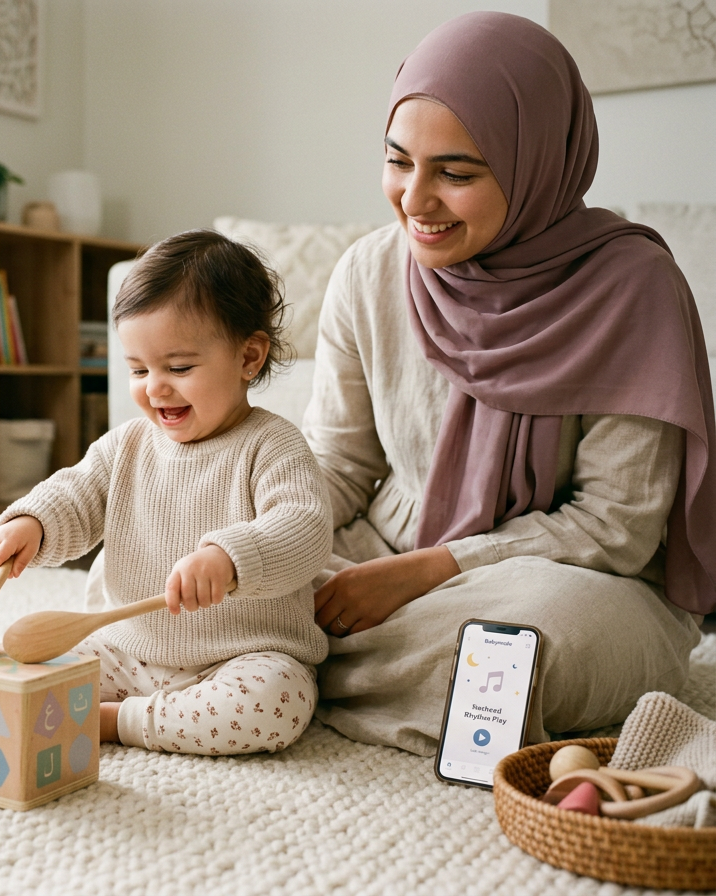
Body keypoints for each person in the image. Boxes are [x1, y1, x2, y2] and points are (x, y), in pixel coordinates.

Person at [302, 11, 713, 757]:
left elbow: (615, 528)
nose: (414, 201)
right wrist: (257, 536)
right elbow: (339, 467)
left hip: (576, 581)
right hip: (390, 547)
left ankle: (284, 664)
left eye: (456, 173)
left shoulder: (634, 288)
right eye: (398, 162)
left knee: (522, 641)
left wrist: (429, 572)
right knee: (185, 562)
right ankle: (280, 652)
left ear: (536, 164)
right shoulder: (368, 272)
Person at [0, 230, 332, 758]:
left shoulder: (274, 445)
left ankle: (109, 723)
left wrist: (230, 556)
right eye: (138, 369)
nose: (155, 387)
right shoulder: (128, 445)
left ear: (249, 358)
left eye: (179, 368)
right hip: (125, 647)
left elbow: (304, 527)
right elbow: (78, 492)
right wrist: (34, 523)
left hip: (243, 655)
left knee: (275, 702)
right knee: (22, 661)